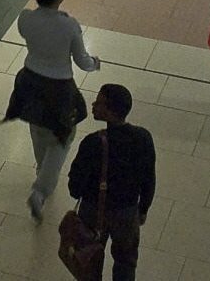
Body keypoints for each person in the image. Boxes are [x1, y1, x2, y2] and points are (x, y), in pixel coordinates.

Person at [0, 0, 100, 220]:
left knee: (37, 127)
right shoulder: (69, 26)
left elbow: (35, 31)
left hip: (28, 81)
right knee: (62, 136)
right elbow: (82, 61)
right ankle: (41, 190)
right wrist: (95, 64)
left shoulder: (25, 19)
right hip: (59, 90)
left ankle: (41, 169)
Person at [66, 84, 156, 281]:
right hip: (127, 213)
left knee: (88, 261)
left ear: (110, 111)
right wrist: (143, 209)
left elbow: (75, 186)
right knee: (125, 261)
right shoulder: (143, 138)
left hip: (94, 211)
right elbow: (149, 178)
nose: (93, 105)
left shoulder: (92, 143)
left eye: (99, 103)